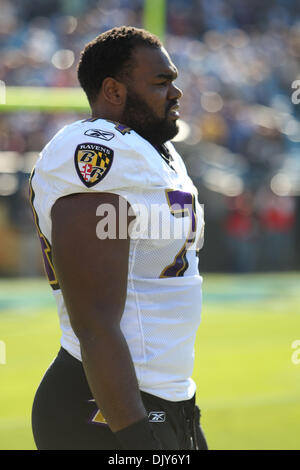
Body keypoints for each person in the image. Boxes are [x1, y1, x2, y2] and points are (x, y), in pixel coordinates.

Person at [30, 26, 207, 450]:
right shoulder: (97, 152)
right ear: (113, 90)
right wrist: (135, 435)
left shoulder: (157, 151)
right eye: (161, 82)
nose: (176, 93)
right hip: (103, 404)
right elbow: (94, 323)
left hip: (165, 397)